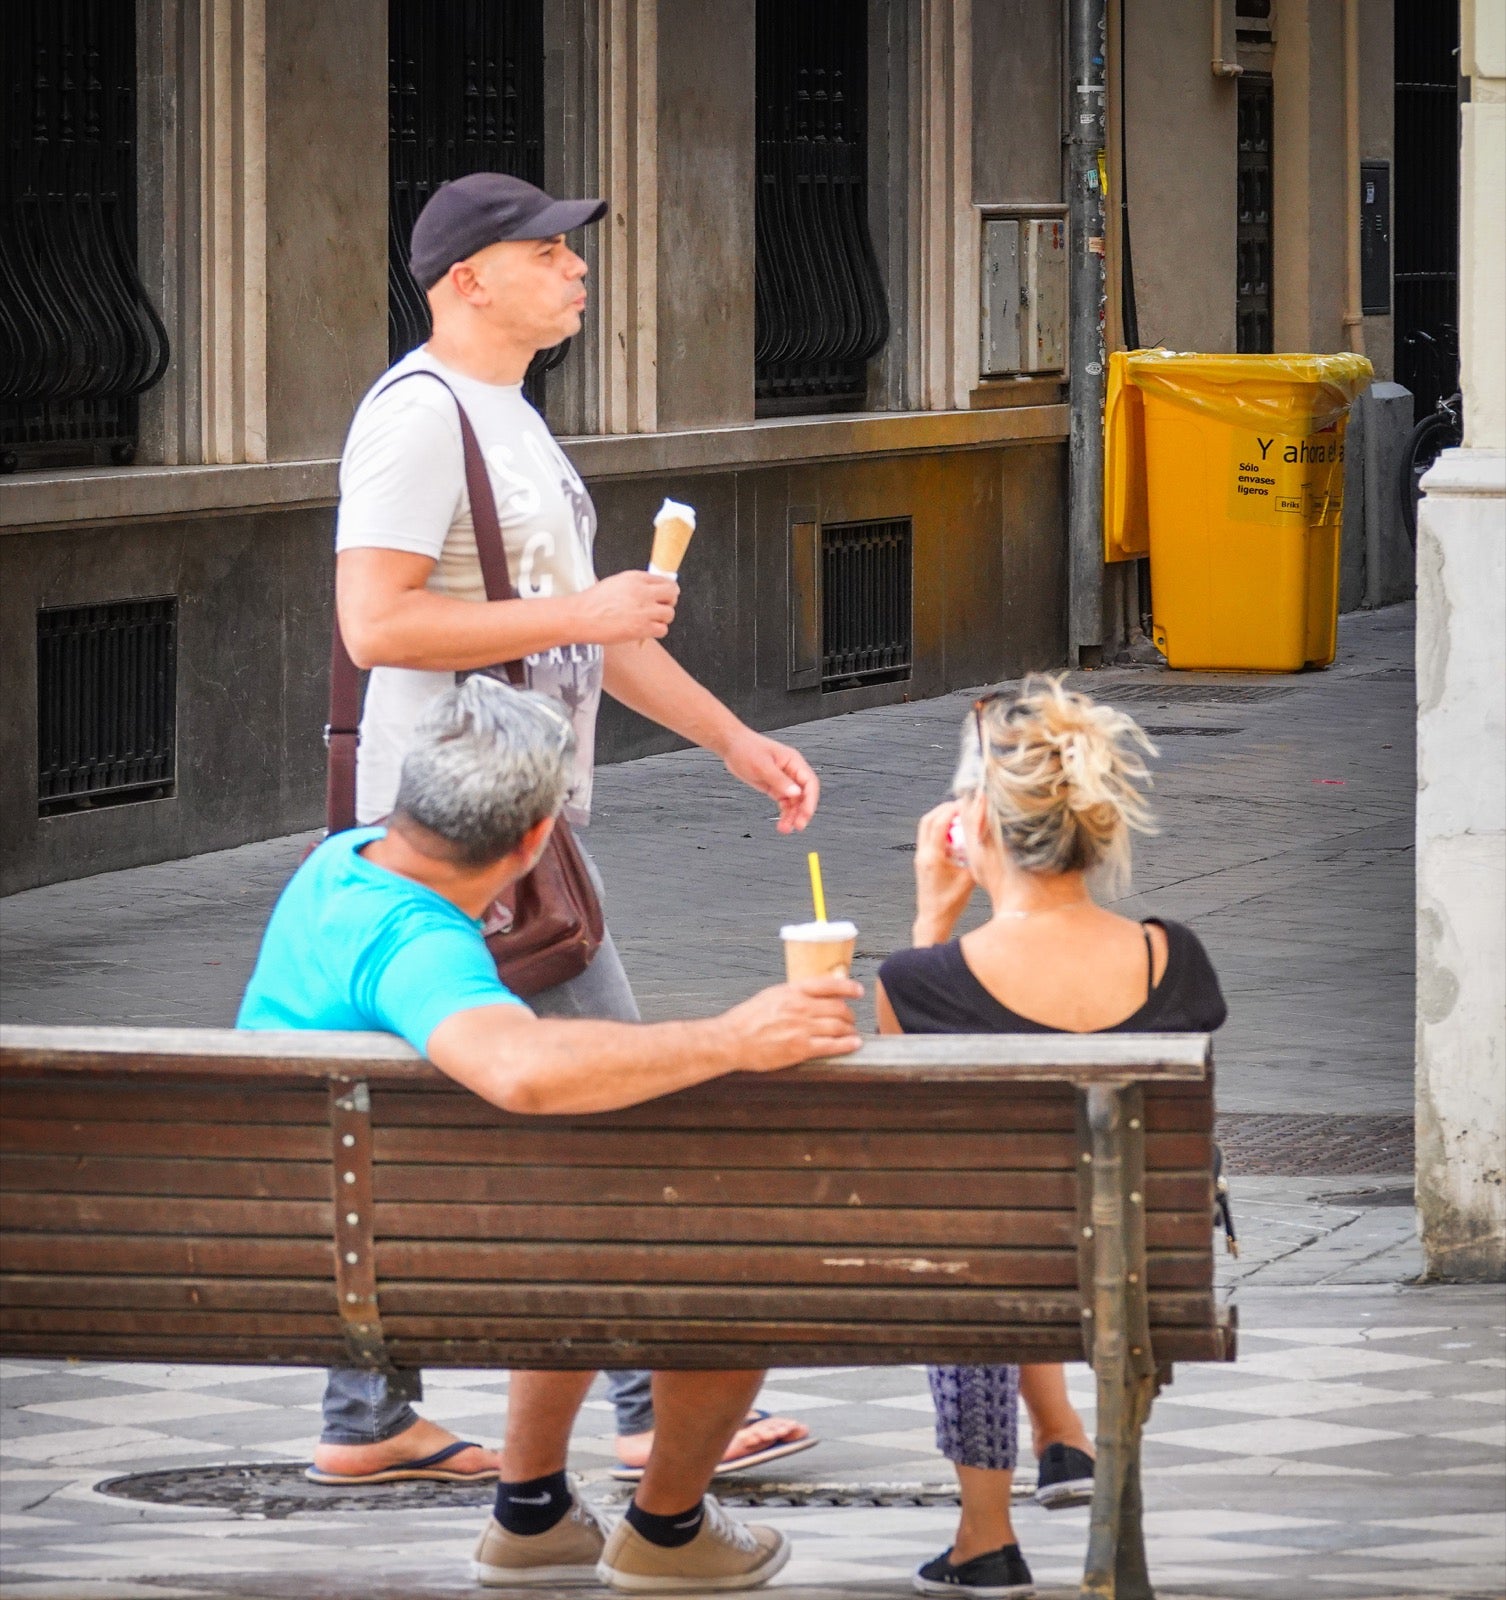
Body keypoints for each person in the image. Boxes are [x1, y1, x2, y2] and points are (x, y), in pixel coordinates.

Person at [321, 170, 816, 1487]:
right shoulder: (420, 420)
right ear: (465, 278)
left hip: (510, 825)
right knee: (618, 1097)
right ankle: (645, 1405)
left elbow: (597, 627)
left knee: (417, 1112)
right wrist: (581, 618)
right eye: (546, 251)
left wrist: (727, 737)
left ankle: (368, 1416)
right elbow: (375, 626)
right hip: (443, 835)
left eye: (569, 250)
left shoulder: (514, 419)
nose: (574, 267)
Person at [239, 678, 862, 1589]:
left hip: (303, 1232)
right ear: (537, 838)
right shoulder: (414, 942)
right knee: (738, 1255)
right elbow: (518, 1069)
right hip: (379, 1266)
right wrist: (733, 1037)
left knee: (567, 1207)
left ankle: (531, 1517)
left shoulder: (342, 865)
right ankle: (669, 1530)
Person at [875, 676, 1228, 1599]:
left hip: (985, 1276)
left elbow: (899, 1130)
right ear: (1096, 827)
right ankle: (1079, 1462)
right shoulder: (1173, 956)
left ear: (976, 829)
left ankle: (984, 1534)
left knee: (970, 1230)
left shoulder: (922, 980)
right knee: (1037, 1217)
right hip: (1143, 1272)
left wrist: (930, 925)